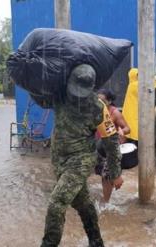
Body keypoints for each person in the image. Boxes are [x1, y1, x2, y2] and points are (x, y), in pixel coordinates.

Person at [39, 64, 123, 247]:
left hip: (81, 159)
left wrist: (116, 173)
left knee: (57, 202)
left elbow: (111, 141)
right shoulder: (59, 95)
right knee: (82, 202)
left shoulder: (97, 107)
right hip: (59, 158)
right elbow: (41, 99)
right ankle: (96, 241)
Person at [96, 89, 130, 202]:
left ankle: (106, 203)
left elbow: (127, 128)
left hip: (110, 148)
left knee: (107, 175)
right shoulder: (94, 111)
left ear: (109, 101)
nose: (99, 103)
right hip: (97, 147)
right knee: (100, 173)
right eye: (97, 100)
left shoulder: (114, 112)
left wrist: (122, 132)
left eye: (102, 101)